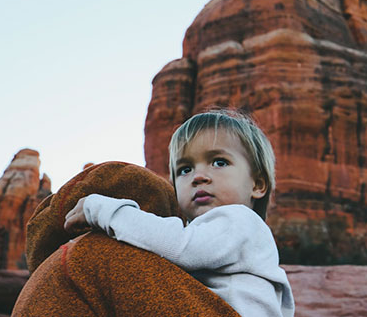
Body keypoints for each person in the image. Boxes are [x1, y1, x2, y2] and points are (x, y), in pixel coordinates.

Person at [64, 109, 295, 317]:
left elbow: (181, 246)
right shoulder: (232, 237)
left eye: (219, 162)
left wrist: (102, 210)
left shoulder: (240, 220)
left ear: (257, 185)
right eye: (185, 169)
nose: (199, 176)